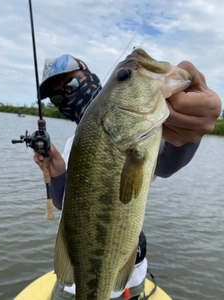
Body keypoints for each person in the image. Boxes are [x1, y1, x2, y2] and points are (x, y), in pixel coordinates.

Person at [34, 53, 222, 300]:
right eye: (58, 96)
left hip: (126, 284)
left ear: (91, 79)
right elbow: (64, 204)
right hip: (74, 283)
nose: (66, 96)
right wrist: (57, 169)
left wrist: (189, 134)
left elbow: (166, 162)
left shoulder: (139, 134)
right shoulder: (76, 142)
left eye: (71, 85)